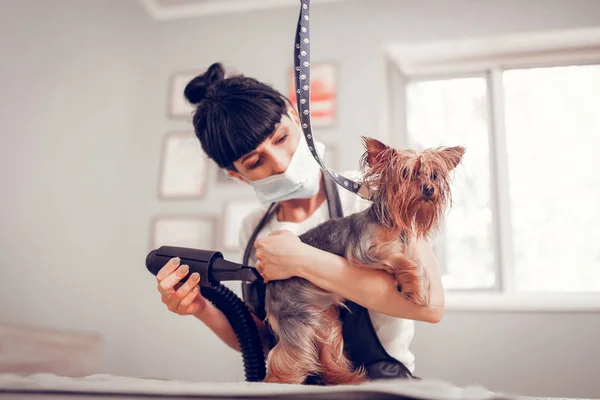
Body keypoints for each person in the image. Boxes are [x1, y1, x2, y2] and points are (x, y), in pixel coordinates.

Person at [154, 62, 445, 380]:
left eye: (281, 139)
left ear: (296, 116)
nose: (281, 163)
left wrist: (303, 259)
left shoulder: (374, 193)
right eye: (256, 161)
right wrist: (202, 309)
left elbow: (428, 306)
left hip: (384, 387)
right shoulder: (254, 230)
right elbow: (268, 340)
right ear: (237, 176)